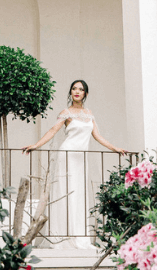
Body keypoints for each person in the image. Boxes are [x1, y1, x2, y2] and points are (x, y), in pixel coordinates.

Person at [22, 80, 127, 249]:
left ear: (85, 93)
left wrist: (115, 148)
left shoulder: (89, 114)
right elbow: (52, 131)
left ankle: (79, 236)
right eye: (74, 89)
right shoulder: (66, 112)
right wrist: (36, 145)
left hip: (81, 160)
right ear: (70, 92)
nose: (77, 91)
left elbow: (97, 136)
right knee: (65, 192)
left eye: (81, 89)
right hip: (67, 156)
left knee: (79, 195)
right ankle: (62, 236)